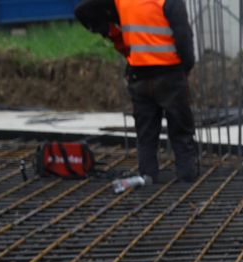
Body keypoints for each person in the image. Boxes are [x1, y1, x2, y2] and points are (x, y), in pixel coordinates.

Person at [76, 0, 199, 183]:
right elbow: (183, 38)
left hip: (139, 76)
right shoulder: (169, 2)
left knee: (146, 134)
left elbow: (83, 10)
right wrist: (186, 67)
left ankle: (147, 175)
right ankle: (186, 175)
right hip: (170, 75)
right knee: (181, 130)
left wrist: (110, 32)